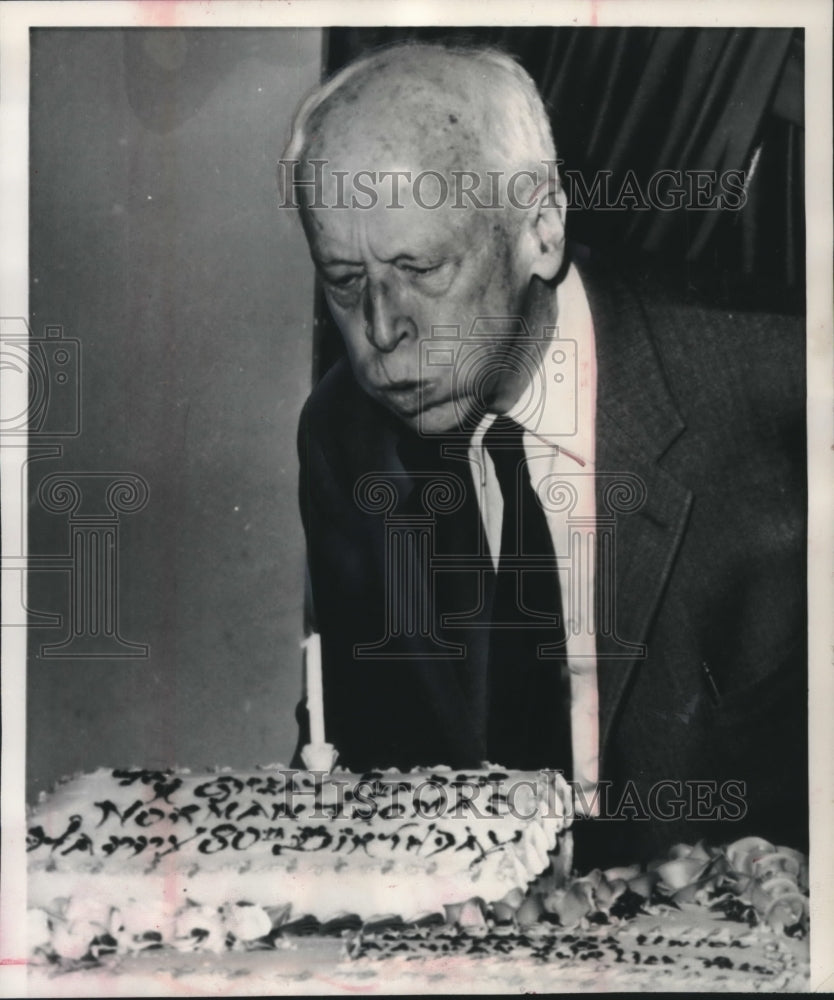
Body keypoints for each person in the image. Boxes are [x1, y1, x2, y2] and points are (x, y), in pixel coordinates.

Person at [282, 42, 807, 866]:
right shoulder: (345, 440)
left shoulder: (784, 395)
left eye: (420, 267)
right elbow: (366, 778)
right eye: (345, 280)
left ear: (541, 228)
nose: (382, 332)